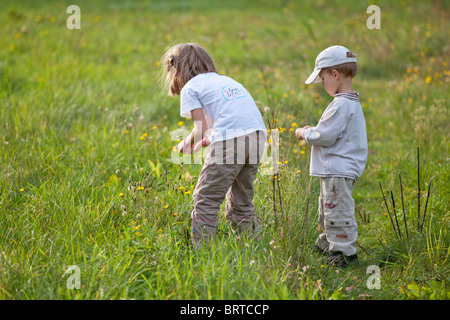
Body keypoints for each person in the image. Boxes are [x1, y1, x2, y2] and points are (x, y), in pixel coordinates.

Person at [160, 43, 266, 247]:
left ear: (176, 71)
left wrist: (186, 142)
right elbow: (229, 119)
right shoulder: (225, 81)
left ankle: (204, 252)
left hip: (231, 142)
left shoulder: (190, 87)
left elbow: (202, 126)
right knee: (241, 201)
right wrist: (205, 141)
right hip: (257, 137)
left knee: (206, 199)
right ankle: (251, 247)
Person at [295, 45, 368, 267]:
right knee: (328, 208)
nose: (323, 85)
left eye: (323, 79)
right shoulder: (351, 102)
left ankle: (344, 253)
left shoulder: (341, 105)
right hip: (336, 170)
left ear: (334, 74)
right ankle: (327, 243)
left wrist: (305, 132)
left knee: (337, 210)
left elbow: (324, 135)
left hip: (338, 169)